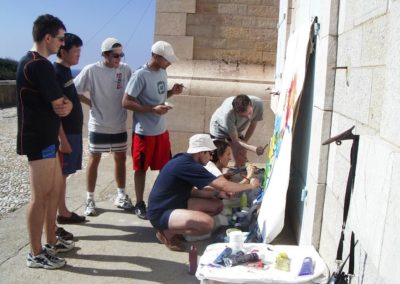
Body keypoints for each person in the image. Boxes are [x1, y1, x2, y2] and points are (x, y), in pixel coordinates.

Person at [16, 14, 74, 269]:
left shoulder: (36, 63)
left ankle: (50, 241)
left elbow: (62, 103)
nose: (62, 44)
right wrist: (68, 104)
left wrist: (67, 104)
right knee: (39, 197)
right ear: (48, 38)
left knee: (51, 192)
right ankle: (35, 253)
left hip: (47, 138)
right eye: (60, 39)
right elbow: (60, 104)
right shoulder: (38, 65)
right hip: (38, 139)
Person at [147, 134, 260, 252]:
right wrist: (250, 185)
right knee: (208, 224)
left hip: (174, 203)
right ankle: (167, 232)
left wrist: (217, 194)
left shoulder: (185, 160)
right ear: (201, 152)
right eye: (210, 153)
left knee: (217, 206)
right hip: (161, 212)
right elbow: (224, 185)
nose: (211, 157)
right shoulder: (188, 165)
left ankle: (177, 226)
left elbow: (192, 191)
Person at [122, 41, 183, 219]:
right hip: (144, 132)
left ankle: (159, 200)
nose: (169, 63)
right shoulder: (140, 75)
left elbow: (160, 96)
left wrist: (172, 92)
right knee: (140, 168)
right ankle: (140, 203)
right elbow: (126, 101)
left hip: (161, 130)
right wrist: (151, 109)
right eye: (166, 60)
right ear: (155, 56)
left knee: (165, 168)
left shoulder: (163, 72)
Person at [74, 37, 132, 216]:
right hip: (98, 125)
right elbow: (74, 91)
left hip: (119, 124)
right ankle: (89, 198)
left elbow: (136, 89)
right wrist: (91, 103)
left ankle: (121, 195)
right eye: (116, 55)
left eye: (121, 55)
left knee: (121, 159)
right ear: (105, 54)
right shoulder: (91, 70)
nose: (119, 59)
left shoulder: (126, 69)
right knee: (94, 159)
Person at [53, 33, 86, 240]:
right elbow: (55, 109)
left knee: (64, 176)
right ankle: (59, 216)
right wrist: (63, 139)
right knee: (59, 177)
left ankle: (63, 211)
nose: (78, 56)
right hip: (66, 135)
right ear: (63, 51)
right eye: (75, 51)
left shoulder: (65, 71)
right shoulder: (56, 72)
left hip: (73, 133)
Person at [209, 94, 266, 166]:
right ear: (236, 112)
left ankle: (240, 171)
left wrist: (245, 144)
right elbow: (235, 140)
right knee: (219, 158)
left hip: (236, 129)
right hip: (219, 128)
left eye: (250, 113)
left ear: (251, 104)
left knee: (241, 154)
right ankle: (218, 175)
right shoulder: (228, 114)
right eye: (243, 116)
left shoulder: (258, 103)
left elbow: (252, 125)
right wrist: (254, 148)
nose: (249, 118)